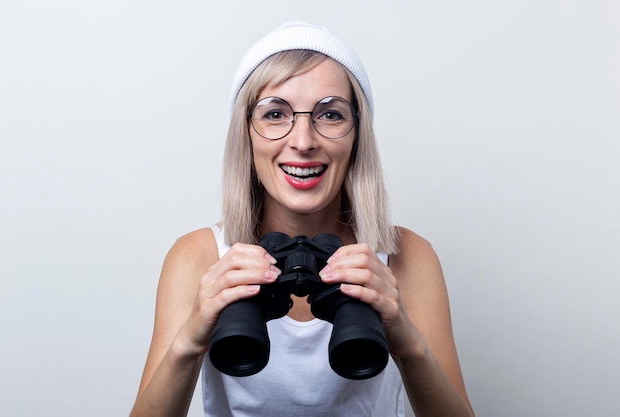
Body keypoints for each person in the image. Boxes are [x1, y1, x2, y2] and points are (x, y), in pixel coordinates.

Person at [130, 22, 474, 417]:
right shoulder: (198, 257)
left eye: (330, 115)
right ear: (247, 134)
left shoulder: (407, 257)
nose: (304, 141)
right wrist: (190, 338)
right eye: (275, 114)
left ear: (357, 135)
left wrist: (406, 339)